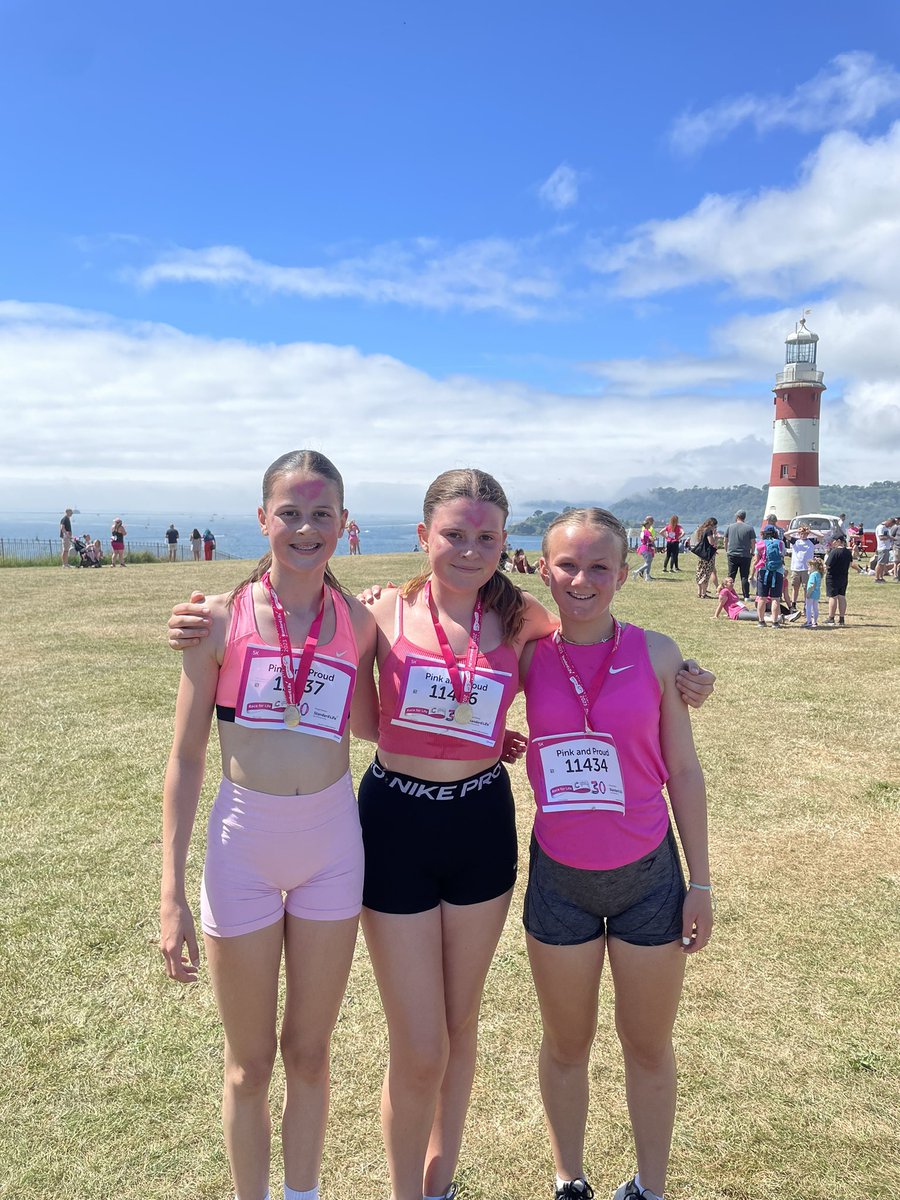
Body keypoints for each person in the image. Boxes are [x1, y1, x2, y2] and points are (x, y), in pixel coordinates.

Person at [166, 469, 715, 1200]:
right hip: (394, 820)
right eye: (454, 534)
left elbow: (591, 638)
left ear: (505, 543)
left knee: (458, 1031)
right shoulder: (380, 613)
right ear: (425, 536)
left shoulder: (523, 620)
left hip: (481, 822)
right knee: (420, 1045)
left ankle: (440, 1185)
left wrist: (684, 673)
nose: (470, 548)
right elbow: (356, 716)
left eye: (487, 536)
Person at [159, 450, 378, 1200]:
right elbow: (186, 760)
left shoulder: (360, 621)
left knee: (310, 1056)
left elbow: (385, 722)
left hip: (330, 848)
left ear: (344, 526)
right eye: (290, 512)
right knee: (249, 1066)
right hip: (242, 847)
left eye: (322, 514)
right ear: (262, 520)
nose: (306, 527)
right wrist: (170, 894)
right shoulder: (219, 621)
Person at [521, 508, 712, 1200]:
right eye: (567, 564)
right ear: (543, 570)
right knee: (567, 1046)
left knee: (648, 1047)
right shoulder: (526, 651)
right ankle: (569, 1179)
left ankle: (650, 1189)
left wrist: (703, 885)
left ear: (624, 574)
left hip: (649, 880)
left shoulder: (659, 654)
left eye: (600, 565)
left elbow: (684, 772)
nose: (581, 579)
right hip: (560, 881)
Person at [752, 526, 785, 628]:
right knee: (775, 598)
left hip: (763, 572)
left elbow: (756, 560)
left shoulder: (760, 543)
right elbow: (783, 555)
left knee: (762, 598)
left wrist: (752, 573)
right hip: (778, 572)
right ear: (775, 532)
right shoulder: (780, 543)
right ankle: (775, 622)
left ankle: (761, 621)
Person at [722, 511, 756, 601]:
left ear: (737, 516)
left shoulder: (730, 527)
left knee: (731, 575)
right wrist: (752, 551)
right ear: (744, 517)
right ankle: (746, 596)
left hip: (732, 554)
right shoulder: (750, 528)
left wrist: (727, 550)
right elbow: (753, 542)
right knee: (744, 576)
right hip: (745, 555)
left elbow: (725, 540)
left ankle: (728, 593)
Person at [823, 533, 853, 626]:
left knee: (833, 597)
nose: (832, 542)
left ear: (839, 541)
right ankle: (842, 618)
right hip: (843, 576)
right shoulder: (848, 552)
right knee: (842, 597)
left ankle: (831, 618)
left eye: (834, 541)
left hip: (833, 577)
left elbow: (827, 565)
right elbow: (850, 564)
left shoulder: (834, 552)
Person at [787, 524, 816, 608]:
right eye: (801, 533)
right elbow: (786, 534)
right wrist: (797, 530)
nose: (802, 535)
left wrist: (810, 531)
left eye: (804, 533)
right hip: (796, 568)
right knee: (795, 587)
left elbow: (822, 536)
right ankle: (793, 604)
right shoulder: (795, 541)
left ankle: (806, 604)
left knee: (806, 588)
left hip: (807, 569)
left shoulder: (811, 541)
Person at [689, 518, 718, 599]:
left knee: (700, 572)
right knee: (706, 573)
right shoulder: (709, 530)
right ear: (712, 525)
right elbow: (711, 542)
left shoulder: (701, 530)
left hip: (701, 554)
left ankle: (699, 592)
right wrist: (715, 536)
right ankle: (704, 594)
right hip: (708, 555)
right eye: (715, 526)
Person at [873, 517, 897, 582]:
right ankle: (876, 578)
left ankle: (881, 577)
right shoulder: (881, 527)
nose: (891, 526)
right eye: (891, 525)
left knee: (883, 564)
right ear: (889, 522)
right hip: (882, 548)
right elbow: (881, 537)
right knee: (880, 563)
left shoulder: (886, 528)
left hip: (886, 548)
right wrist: (890, 537)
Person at [632, 517, 655, 582]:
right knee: (648, 563)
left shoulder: (643, 532)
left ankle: (647, 577)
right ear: (647, 525)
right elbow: (651, 539)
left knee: (648, 563)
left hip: (644, 548)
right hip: (646, 548)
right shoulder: (647, 531)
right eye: (649, 524)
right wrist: (654, 539)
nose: (650, 525)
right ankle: (637, 571)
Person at [803, 557, 824, 628]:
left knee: (808, 607)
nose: (808, 568)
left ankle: (809, 621)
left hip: (811, 593)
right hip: (817, 593)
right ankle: (814, 621)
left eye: (809, 567)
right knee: (815, 608)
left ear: (812, 566)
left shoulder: (813, 575)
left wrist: (808, 593)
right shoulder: (819, 574)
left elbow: (812, 585)